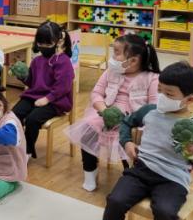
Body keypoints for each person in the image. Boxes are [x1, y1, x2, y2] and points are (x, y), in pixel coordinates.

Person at [98, 62, 193, 220]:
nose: (161, 97)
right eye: (160, 90)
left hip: (173, 179)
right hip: (142, 170)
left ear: (189, 99)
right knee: (115, 201)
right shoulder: (150, 111)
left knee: (166, 212)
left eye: (169, 94)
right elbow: (126, 123)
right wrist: (127, 142)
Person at [66, 33, 160, 192]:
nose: (112, 57)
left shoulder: (152, 78)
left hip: (134, 123)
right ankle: (90, 172)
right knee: (87, 130)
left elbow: (153, 107)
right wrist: (105, 111)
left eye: (116, 52)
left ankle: (133, 177)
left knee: (131, 143)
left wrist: (129, 120)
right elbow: (96, 93)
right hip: (106, 114)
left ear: (133, 60)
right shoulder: (111, 71)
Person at [12, 21, 74, 159]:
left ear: (58, 42)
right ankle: (15, 146)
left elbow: (63, 86)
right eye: (41, 44)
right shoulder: (37, 61)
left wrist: (47, 99)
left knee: (32, 119)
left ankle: (27, 151)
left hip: (56, 101)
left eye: (48, 44)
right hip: (35, 96)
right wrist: (23, 76)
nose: (44, 47)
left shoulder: (63, 61)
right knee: (13, 115)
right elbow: (32, 83)